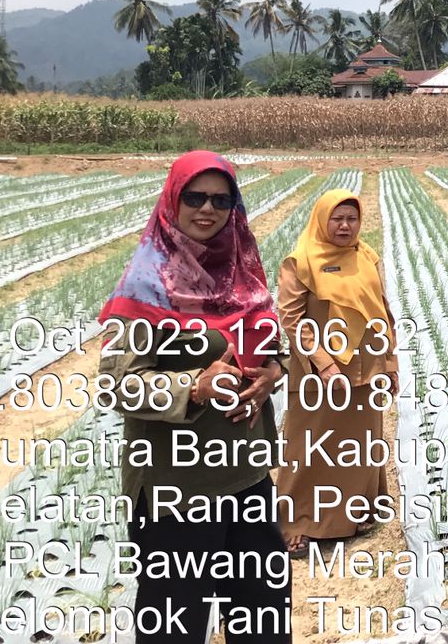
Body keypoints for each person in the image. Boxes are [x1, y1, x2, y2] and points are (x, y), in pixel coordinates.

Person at [97, 150, 290, 644]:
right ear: (173, 200)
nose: (208, 209)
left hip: (246, 476)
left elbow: (271, 342)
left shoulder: (240, 270)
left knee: (263, 615)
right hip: (177, 490)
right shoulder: (147, 284)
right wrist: (193, 387)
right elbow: (117, 383)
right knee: (175, 623)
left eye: (221, 200)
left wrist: (273, 372)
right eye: (195, 197)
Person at [275, 188, 398, 552]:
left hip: (366, 368)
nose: (345, 226)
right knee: (309, 445)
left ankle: (356, 512)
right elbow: (292, 319)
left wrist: (390, 364)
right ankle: (297, 521)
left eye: (352, 219)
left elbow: (382, 312)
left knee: (360, 445)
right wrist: (325, 364)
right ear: (322, 219)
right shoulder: (300, 262)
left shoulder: (367, 257)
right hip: (319, 374)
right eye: (337, 218)